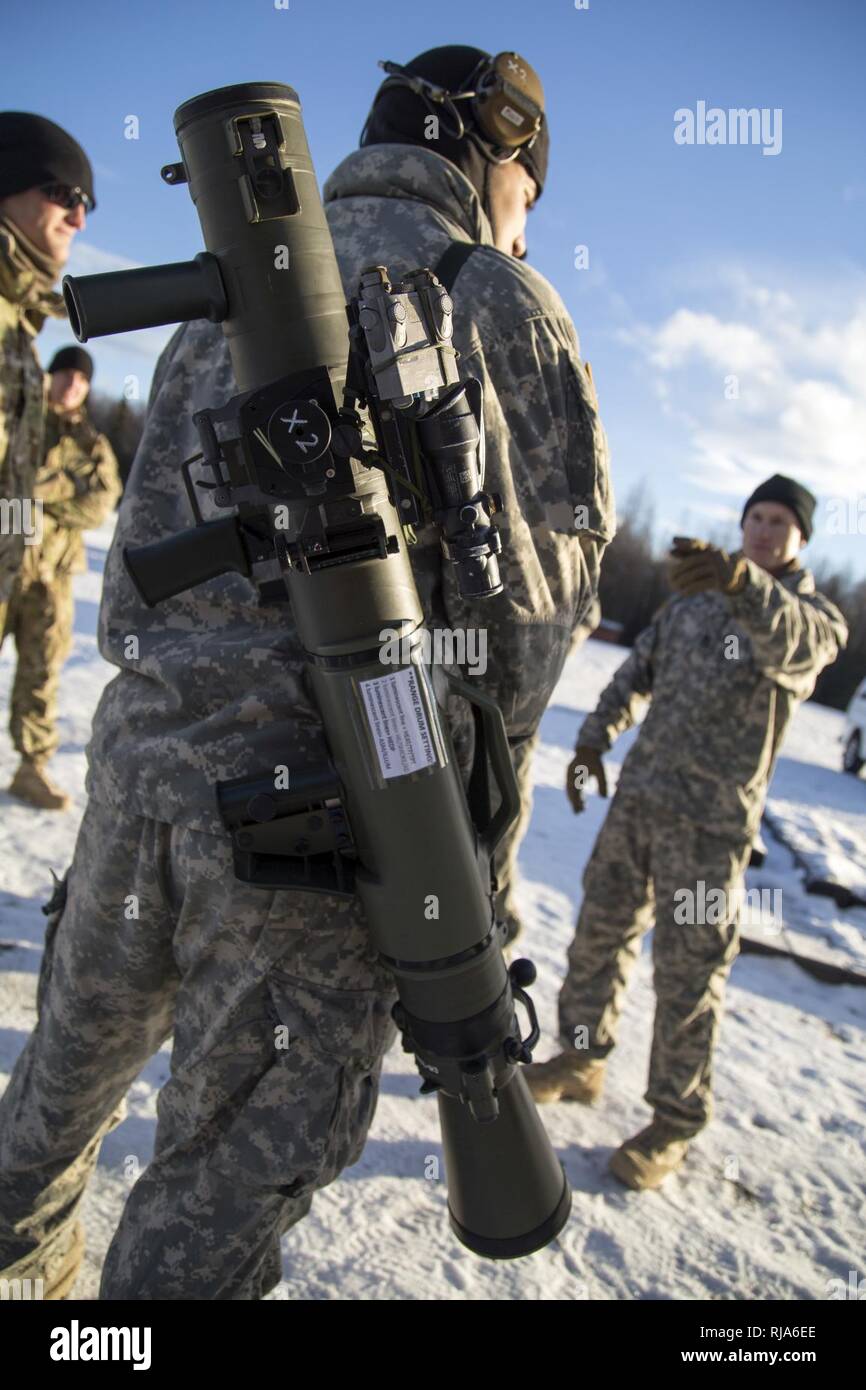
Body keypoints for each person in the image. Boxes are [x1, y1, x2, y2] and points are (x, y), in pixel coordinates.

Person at [0, 47, 613, 1300]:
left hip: (143, 789)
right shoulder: (498, 299)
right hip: (325, 846)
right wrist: (464, 898)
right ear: (494, 154)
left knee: (40, 1135)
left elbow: (139, 572)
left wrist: (160, 733)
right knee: (203, 1221)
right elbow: (527, 631)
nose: (528, 218)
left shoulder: (235, 278)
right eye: (530, 189)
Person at [525, 475, 848, 1190]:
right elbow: (635, 673)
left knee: (688, 974)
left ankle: (674, 1121)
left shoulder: (812, 617)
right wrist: (591, 742)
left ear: (802, 538)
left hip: (709, 830)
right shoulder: (693, 601)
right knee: (598, 939)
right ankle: (581, 1059)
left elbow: (793, 646)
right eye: (754, 518)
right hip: (638, 802)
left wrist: (743, 585)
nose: (763, 531)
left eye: (779, 522)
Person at [2, 346, 120, 810]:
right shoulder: (15, 418)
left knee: (41, 672)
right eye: (65, 373)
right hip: (4, 562)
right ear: (50, 377)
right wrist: (64, 483)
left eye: (81, 378)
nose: (72, 383)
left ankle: (31, 768)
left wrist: (46, 488)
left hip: (51, 577)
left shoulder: (91, 442)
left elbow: (98, 506)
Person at [0, 113, 94, 606]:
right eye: (65, 195)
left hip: (35, 576)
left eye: (87, 206)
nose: (79, 219)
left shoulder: (17, 327)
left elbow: (99, 504)